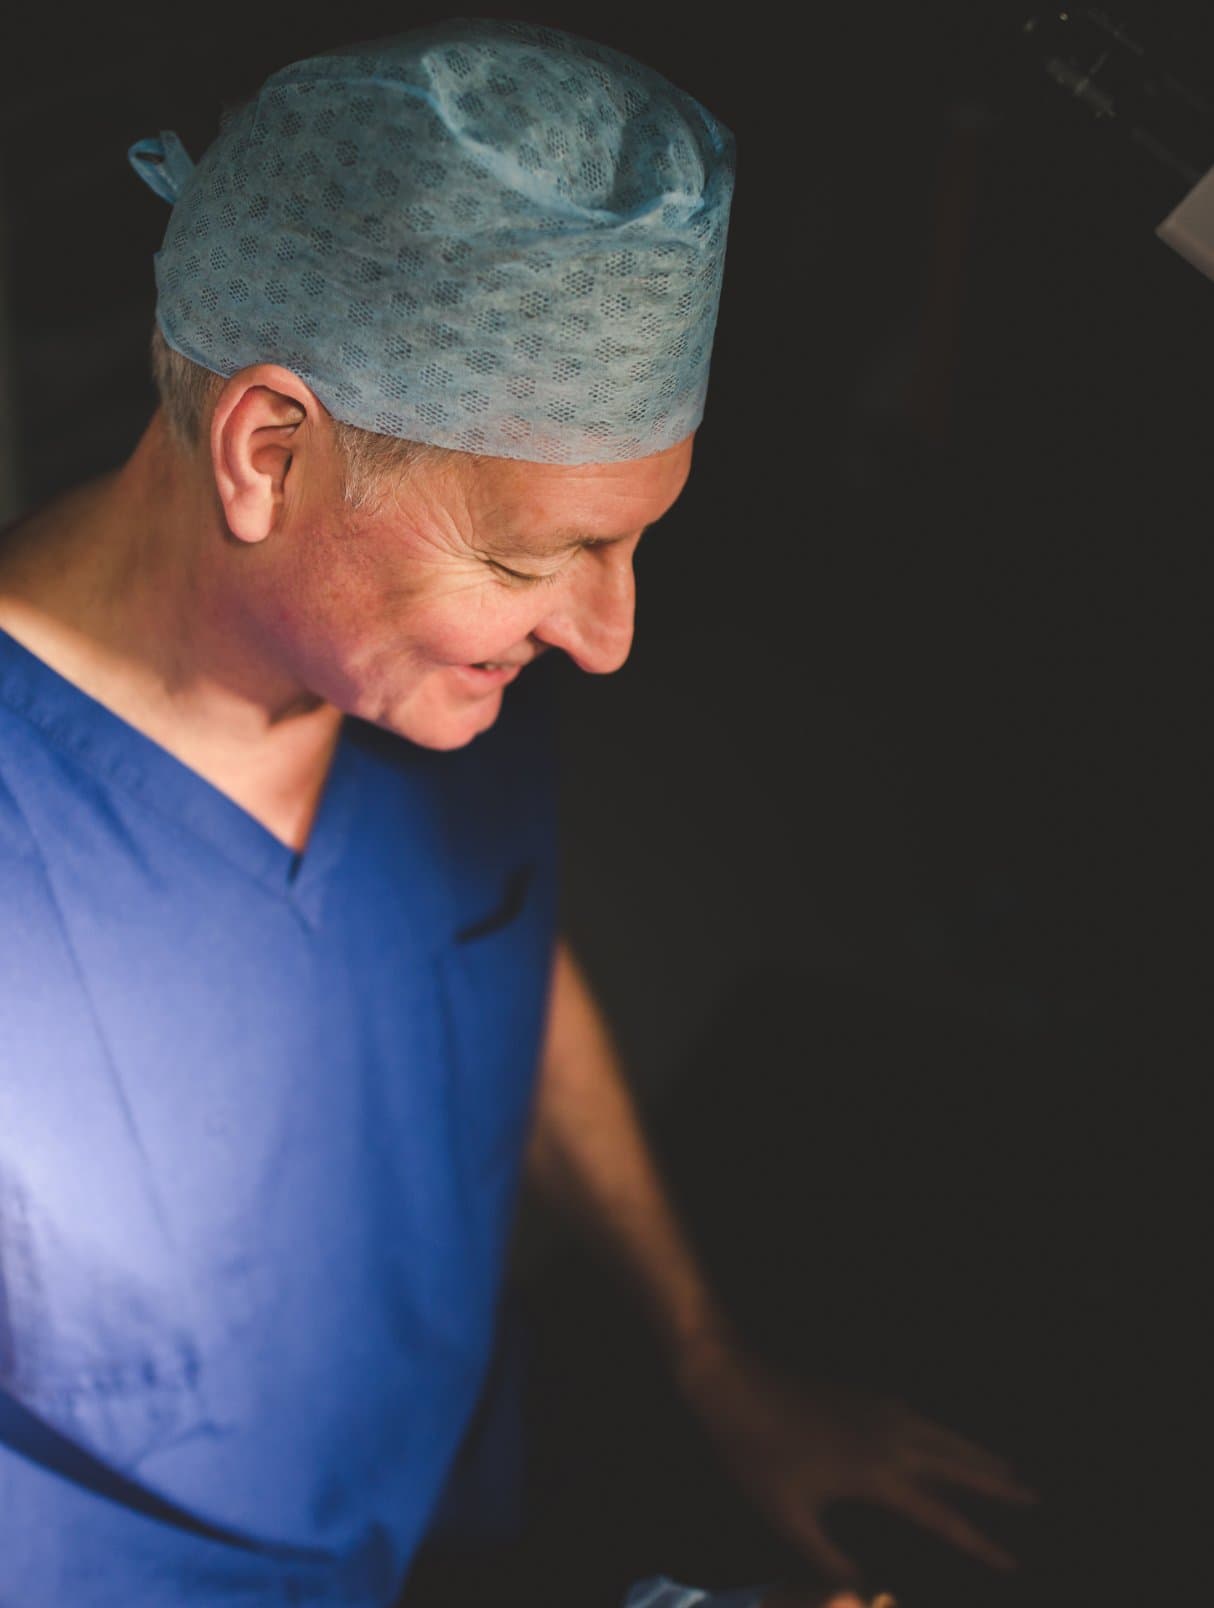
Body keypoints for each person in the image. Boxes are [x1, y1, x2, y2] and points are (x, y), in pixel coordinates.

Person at [0, 20, 1032, 1607]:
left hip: (456, 1515)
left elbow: (489, 958)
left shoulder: (430, 669)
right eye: (536, 556)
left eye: (628, 547)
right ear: (270, 451)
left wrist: (704, 1358)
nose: (606, 636)